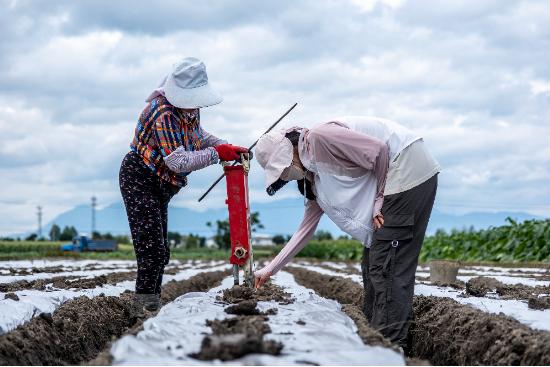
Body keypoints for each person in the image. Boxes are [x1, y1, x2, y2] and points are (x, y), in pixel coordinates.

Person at [253, 116, 440, 351]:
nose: (287, 175)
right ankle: (374, 336)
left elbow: (379, 150)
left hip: (406, 167)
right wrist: (270, 269)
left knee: (386, 266)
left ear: (288, 153)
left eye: (283, 169)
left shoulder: (320, 138)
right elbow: (304, 231)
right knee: (372, 261)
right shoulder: (315, 178)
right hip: (397, 176)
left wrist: (379, 200)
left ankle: (390, 349)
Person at [119, 57, 248, 314]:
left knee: (162, 251)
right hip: (140, 178)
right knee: (151, 249)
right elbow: (177, 161)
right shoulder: (163, 112)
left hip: (161, 184)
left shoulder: (189, 109)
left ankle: (150, 305)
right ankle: (142, 310)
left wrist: (226, 146)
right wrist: (216, 154)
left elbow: (198, 137)